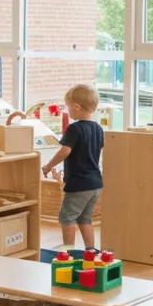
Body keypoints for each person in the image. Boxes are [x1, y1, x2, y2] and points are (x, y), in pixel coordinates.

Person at [41, 84, 104, 249]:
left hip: (79, 184)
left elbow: (65, 151)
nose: (67, 111)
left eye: (68, 107)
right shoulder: (98, 128)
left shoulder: (74, 129)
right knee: (85, 219)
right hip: (95, 183)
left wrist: (48, 166)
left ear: (77, 107)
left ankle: (67, 251)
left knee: (67, 217)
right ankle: (91, 251)